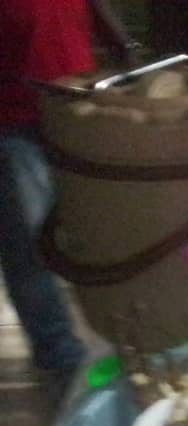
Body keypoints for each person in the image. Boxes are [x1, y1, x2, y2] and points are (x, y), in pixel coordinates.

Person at [0, 0, 129, 380]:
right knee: (30, 244)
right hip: (14, 122)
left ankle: (126, 342)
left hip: (79, 110)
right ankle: (60, 359)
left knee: (104, 230)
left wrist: (123, 48)